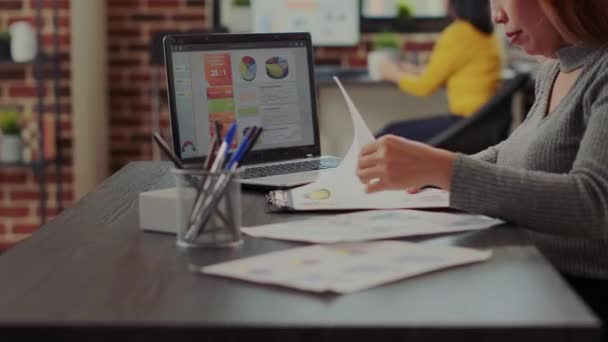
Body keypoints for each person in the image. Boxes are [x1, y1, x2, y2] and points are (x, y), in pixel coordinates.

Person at [357, 0, 608, 322]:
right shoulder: (555, 69)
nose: (495, 15)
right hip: (537, 271)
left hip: (582, 297)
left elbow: (595, 203)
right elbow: (512, 152)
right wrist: (430, 174)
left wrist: (446, 170)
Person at [376, 0, 502, 141]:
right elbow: (450, 71)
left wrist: (392, 73)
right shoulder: (487, 34)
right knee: (391, 133)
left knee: (386, 136)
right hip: (483, 124)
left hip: (466, 124)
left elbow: (424, 87)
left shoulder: (458, 33)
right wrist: (414, 70)